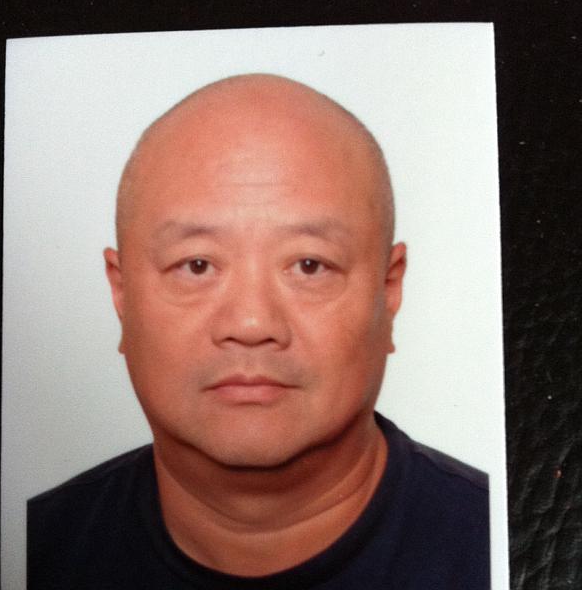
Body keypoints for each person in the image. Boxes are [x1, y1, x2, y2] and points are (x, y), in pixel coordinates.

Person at [28, 74, 490, 589]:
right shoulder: (24, 553)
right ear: (122, 294)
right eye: (197, 265)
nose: (251, 324)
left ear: (389, 291)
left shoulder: (505, 548)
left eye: (310, 265)